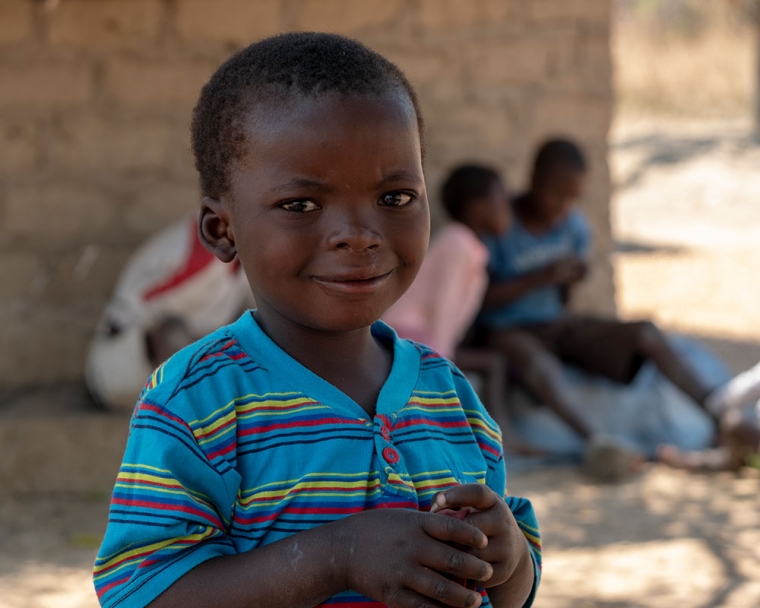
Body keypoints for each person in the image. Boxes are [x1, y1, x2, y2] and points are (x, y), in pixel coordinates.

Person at [93, 33, 541, 608]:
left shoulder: (449, 395)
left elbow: (512, 586)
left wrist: (509, 561)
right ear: (221, 232)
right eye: (301, 205)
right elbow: (141, 595)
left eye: (396, 197)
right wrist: (336, 557)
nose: (358, 233)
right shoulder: (196, 403)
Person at [478, 138, 741, 480]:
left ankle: (719, 410)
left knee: (645, 332)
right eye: (557, 193)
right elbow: (479, 297)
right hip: (505, 329)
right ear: (534, 179)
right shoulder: (500, 222)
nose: (564, 204)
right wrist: (539, 278)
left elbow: (563, 300)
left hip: (556, 323)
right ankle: (600, 443)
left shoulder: (572, 226)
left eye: (574, 196)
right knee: (538, 366)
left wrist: (570, 278)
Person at [85, 214, 251, 411]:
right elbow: (144, 317)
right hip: (117, 366)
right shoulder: (207, 249)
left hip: (162, 378)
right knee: (175, 336)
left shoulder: (242, 260)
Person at [383, 164, 512, 415]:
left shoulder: (469, 246)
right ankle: (502, 436)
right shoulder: (458, 244)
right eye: (501, 199)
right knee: (493, 364)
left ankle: (501, 434)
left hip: (425, 338)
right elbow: (441, 311)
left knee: (494, 364)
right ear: (478, 207)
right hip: (412, 337)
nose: (508, 208)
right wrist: (440, 366)